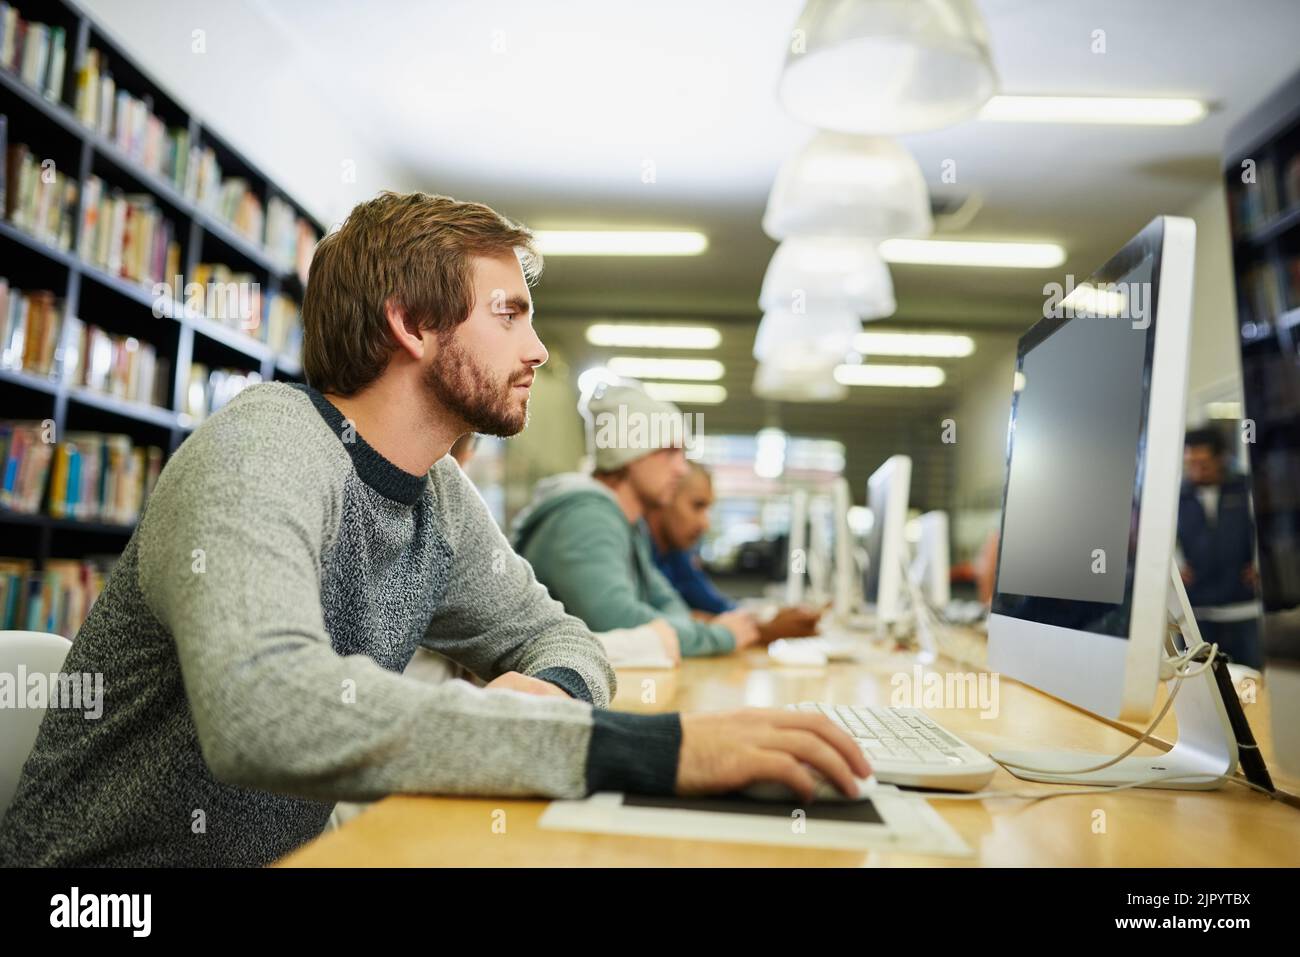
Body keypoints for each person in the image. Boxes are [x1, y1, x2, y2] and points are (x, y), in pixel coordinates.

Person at [0, 192, 866, 866]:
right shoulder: (264, 444)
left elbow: (564, 636)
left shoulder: (436, 494)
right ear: (412, 323)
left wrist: (552, 696)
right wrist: (638, 749)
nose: (538, 350)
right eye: (507, 314)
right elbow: (264, 710)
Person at [513, 384, 764, 656]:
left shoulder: (628, 523)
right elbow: (619, 621)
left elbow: (668, 604)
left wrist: (688, 632)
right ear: (628, 455)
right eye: (670, 451)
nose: (682, 469)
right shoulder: (586, 516)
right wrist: (720, 636)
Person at [645, 461, 822, 641]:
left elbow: (717, 607)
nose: (705, 524)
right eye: (697, 506)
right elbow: (662, 623)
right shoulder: (638, 554)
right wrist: (763, 630)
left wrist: (771, 619)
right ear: (663, 498)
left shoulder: (677, 554)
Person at [1177, 427, 1263, 669]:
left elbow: (1273, 531)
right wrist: (1173, 568)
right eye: (1190, 463)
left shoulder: (1247, 488)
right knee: (1200, 682)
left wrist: (1262, 564)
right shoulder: (1178, 496)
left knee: (1251, 684)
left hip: (1242, 607)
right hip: (1197, 611)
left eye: (1203, 463)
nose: (1196, 471)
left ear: (1221, 458)